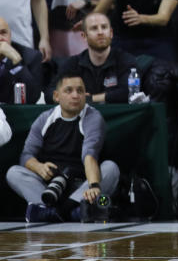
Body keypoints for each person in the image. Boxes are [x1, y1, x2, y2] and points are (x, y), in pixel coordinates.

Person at [5, 69, 119, 223]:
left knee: (110, 168)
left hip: (81, 186)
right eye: (69, 90)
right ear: (56, 96)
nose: (75, 95)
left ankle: (56, 212)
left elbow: (89, 155)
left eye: (80, 91)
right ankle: (72, 212)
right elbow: (26, 155)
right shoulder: (45, 118)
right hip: (50, 186)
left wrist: (93, 186)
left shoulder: (93, 117)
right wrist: (39, 167)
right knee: (13, 173)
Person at [53, 12, 140, 104]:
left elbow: (129, 92)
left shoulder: (126, 60)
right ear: (84, 36)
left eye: (104, 27)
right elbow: (51, 91)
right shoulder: (73, 64)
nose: (100, 32)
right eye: (94, 28)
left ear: (111, 33)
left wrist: (89, 99)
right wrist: (70, 96)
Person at [0, 16, 43, 104]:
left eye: (3, 33)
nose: (0, 38)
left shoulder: (30, 57)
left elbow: (33, 97)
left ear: (10, 35)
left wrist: (17, 63)